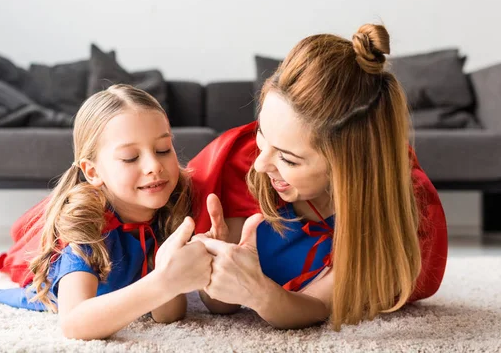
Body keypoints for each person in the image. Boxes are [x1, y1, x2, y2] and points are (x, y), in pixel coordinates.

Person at [189, 24, 448, 331]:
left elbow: (315, 307)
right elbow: (222, 304)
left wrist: (257, 292)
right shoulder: (244, 170)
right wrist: (216, 267)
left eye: (288, 158)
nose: (260, 164)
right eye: (261, 137)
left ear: (348, 167)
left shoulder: (395, 214)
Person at [0, 84, 212, 340]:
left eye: (163, 149)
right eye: (130, 157)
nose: (154, 166)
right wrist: (164, 282)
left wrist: (174, 269)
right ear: (93, 172)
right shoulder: (87, 227)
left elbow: (168, 314)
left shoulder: (172, 206)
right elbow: (74, 323)